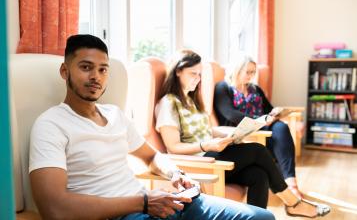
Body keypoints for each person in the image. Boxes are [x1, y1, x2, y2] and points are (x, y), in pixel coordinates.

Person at [29, 34, 275, 220]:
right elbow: (54, 209)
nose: (96, 76)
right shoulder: (51, 125)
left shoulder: (114, 114)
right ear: (65, 71)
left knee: (261, 217)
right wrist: (143, 203)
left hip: (159, 204)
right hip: (125, 214)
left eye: (102, 69)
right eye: (86, 67)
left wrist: (175, 174)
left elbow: (152, 156)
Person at [155, 49, 330, 218]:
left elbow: (206, 131)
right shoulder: (168, 103)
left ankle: (266, 214)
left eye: (200, 74)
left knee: (259, 176)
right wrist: (207, 144)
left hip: (209, 153)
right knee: (258, 150)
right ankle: (293, 203)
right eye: (193, 73)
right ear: (178, 71)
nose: (198, 79)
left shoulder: (191, 100)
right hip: (197, 162)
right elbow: (173, 147)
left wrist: (232, 133)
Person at [213, 56, 302, 198]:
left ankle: (291, 183)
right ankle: (285, 186)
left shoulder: (255, 89)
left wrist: (275, 113)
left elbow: (269, 109)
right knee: (279, 133)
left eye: (253, 72)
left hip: (262, 127)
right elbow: (230, 114)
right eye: (247, 72)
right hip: (241, 130)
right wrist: (259, 120)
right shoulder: (223, 87)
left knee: (281, 127)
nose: (251, 76)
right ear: (236, 70)